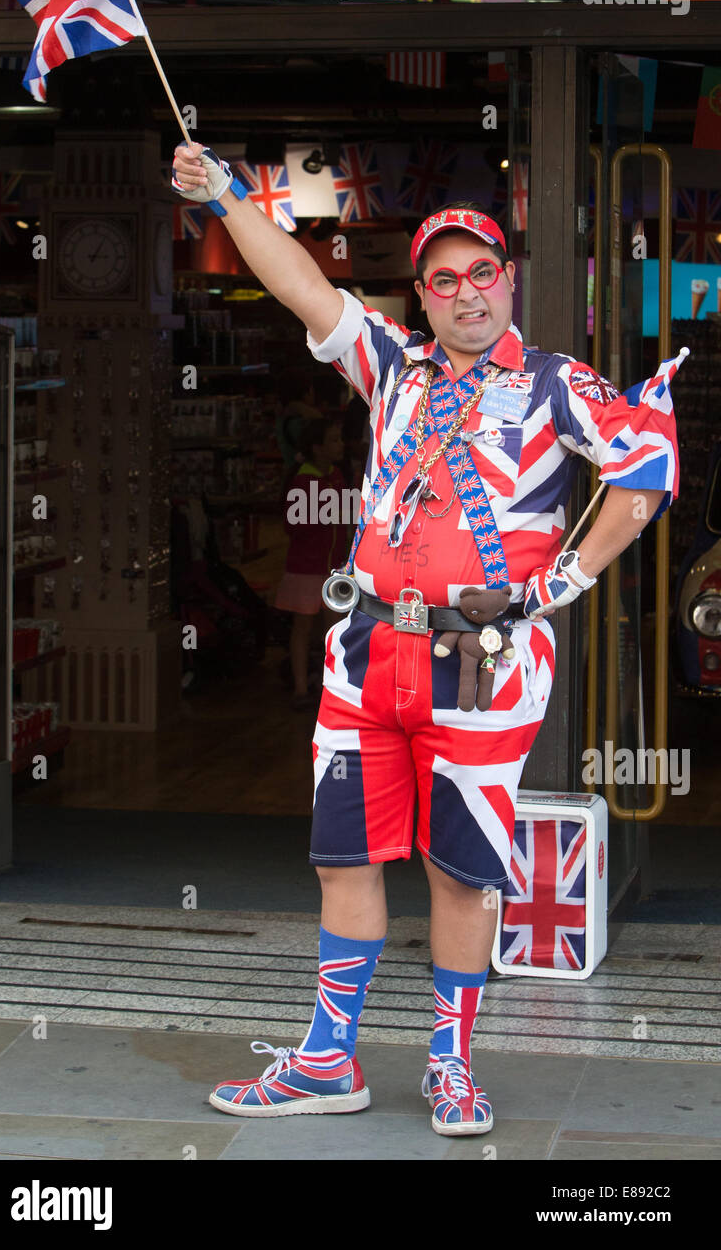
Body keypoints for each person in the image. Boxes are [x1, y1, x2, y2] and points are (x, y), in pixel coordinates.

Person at [171, 144, 679, 1136]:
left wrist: (562, 583)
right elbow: (303, 284)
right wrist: (230, 195)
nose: (464, 293)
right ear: (425, 293)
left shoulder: (553, 382)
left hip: (483, 666)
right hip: (367, 654)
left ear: (507, 279)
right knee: (343, 859)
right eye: (442, 279)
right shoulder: (393, 364)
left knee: (460, 870)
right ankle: (327, 1059)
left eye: (480, 272)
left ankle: (449, 1064)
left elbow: (647, 463)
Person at [274, 415, 348, 710]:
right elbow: (293, 526)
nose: (340, 445)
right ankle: (302, 688)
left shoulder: (336, 476)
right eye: (334, 440)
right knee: (304, 628)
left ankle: (333, 689)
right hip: (306, 568)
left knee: (334, 629)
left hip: (332, 568)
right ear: (318, 448)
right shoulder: (303, 481)